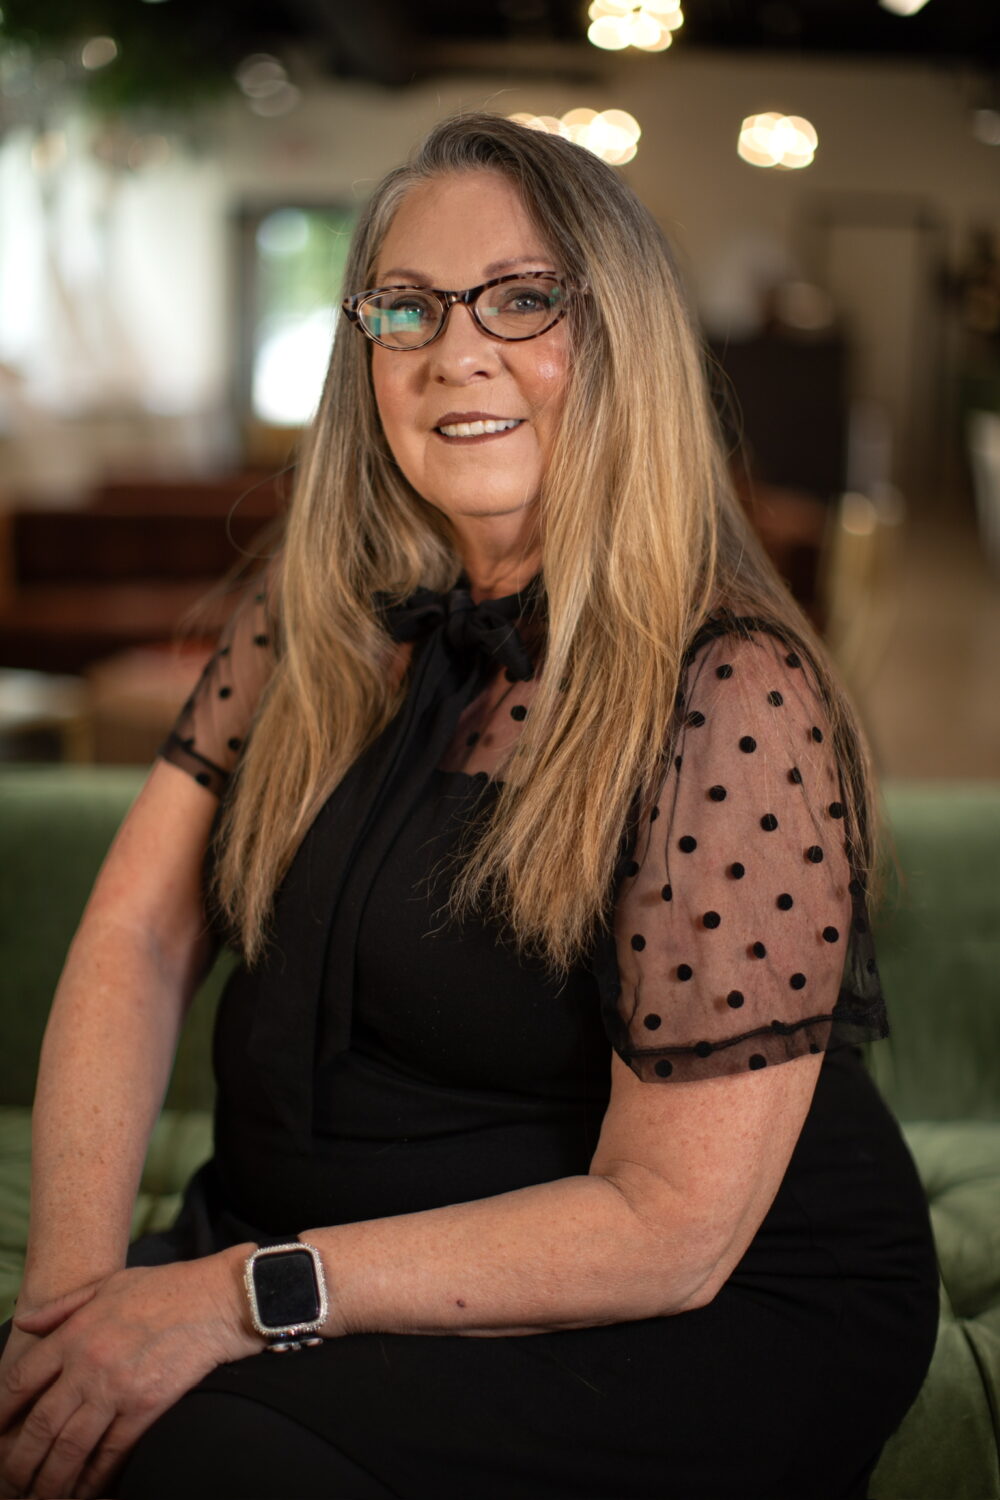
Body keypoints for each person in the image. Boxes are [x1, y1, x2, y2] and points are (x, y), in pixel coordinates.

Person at [0, 113, 938, 1500]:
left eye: (521, 299)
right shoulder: (313, 619)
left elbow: (670, 1230)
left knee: (195, 1465)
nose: (455, 353)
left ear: (617, 334)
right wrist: (71, 1306)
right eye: (406, 307)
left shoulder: (729, 690)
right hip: (309, 1246)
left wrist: (225, 1301)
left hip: (679, 1304)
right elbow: (140, 933)